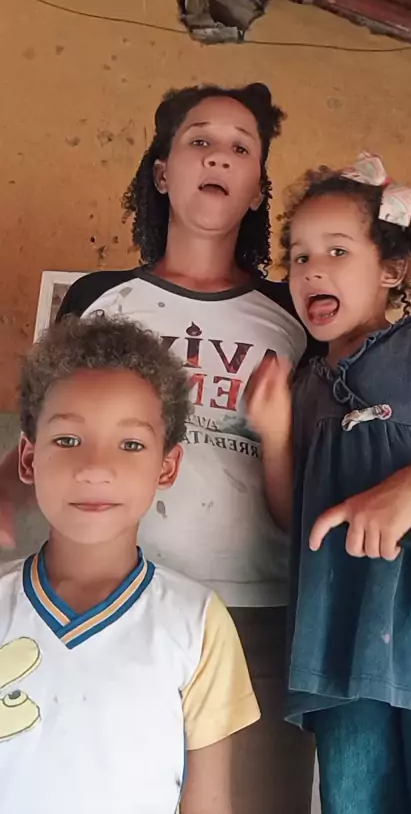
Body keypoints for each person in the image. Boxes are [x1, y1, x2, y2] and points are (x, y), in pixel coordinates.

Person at [0, 83, 316, 814]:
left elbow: (301, 485)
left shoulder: (291, 314)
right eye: (199, 140)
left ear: (257, 187)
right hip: (103, 596)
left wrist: (276, 436)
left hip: (253, 612)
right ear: (163, 172)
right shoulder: (100, 298)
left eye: (240, 147)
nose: (218, 156)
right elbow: (51, 425)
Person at [246, 154, 411, 814]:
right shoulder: (304, 386)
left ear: (390, 269)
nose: (311, 269)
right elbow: (296, 519)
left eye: (337, 251)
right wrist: (274, 436)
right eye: (298, 256)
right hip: (343, 649)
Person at [0, 313, 261, 814]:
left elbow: (208, 804)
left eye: (131, 444)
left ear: (167, 466)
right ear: (28, 459)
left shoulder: (196, 624)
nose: (96, 467)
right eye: (68, 440)